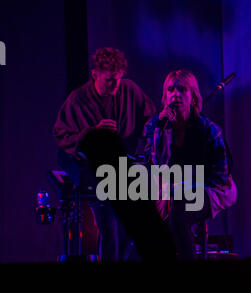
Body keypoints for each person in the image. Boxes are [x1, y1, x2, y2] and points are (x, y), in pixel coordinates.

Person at [53, 47, 156, 261]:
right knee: (110, 229)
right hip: (95, 172)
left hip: (125, 170)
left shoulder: (129, 90)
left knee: (131, 229)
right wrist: (92, 134)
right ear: (95, 75)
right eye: (109, 80)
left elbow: (150, 120)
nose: (115, 86)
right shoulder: (77, 99)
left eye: (118, 79)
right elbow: (62, 134)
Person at [144, 69, 237, 260]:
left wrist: (185, 187)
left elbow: (220, 174)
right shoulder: (156, 127)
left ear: (192, 96)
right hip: (171, 188)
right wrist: (159, 132)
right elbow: (152, 165)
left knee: (178, 216)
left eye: (181, 89)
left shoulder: (208, 130)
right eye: (170, 90)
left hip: (211, 188)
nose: (175, 94)